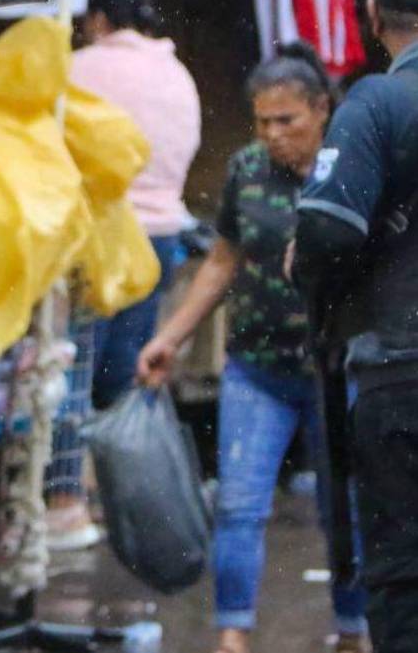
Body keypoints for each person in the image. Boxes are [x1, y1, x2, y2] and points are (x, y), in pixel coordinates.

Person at [137, 44, 368, 653]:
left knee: (341, 508)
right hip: (257, 369)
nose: (272, 135)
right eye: (262, 122)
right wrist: (171, 336)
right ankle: (232, 632)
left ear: (322, 110)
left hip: (336, 368)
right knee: (240, 503)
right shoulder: (244, 169)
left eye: (286, 121)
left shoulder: (354, 167)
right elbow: (221, 262)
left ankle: (353, 631)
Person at [292, 0, 418, 652]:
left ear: (373, 14)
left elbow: (328, 233)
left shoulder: (376, 103)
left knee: (403, 576)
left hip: (399, 374)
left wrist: (306, 266)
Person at [49, 0, 201, 551]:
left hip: (101, 241)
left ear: (98, 21)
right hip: (162, 240)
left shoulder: (83, 68)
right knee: (123, 378)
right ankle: (115, 498)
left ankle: (64, 499)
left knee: (73, 369)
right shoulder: (179, 73)